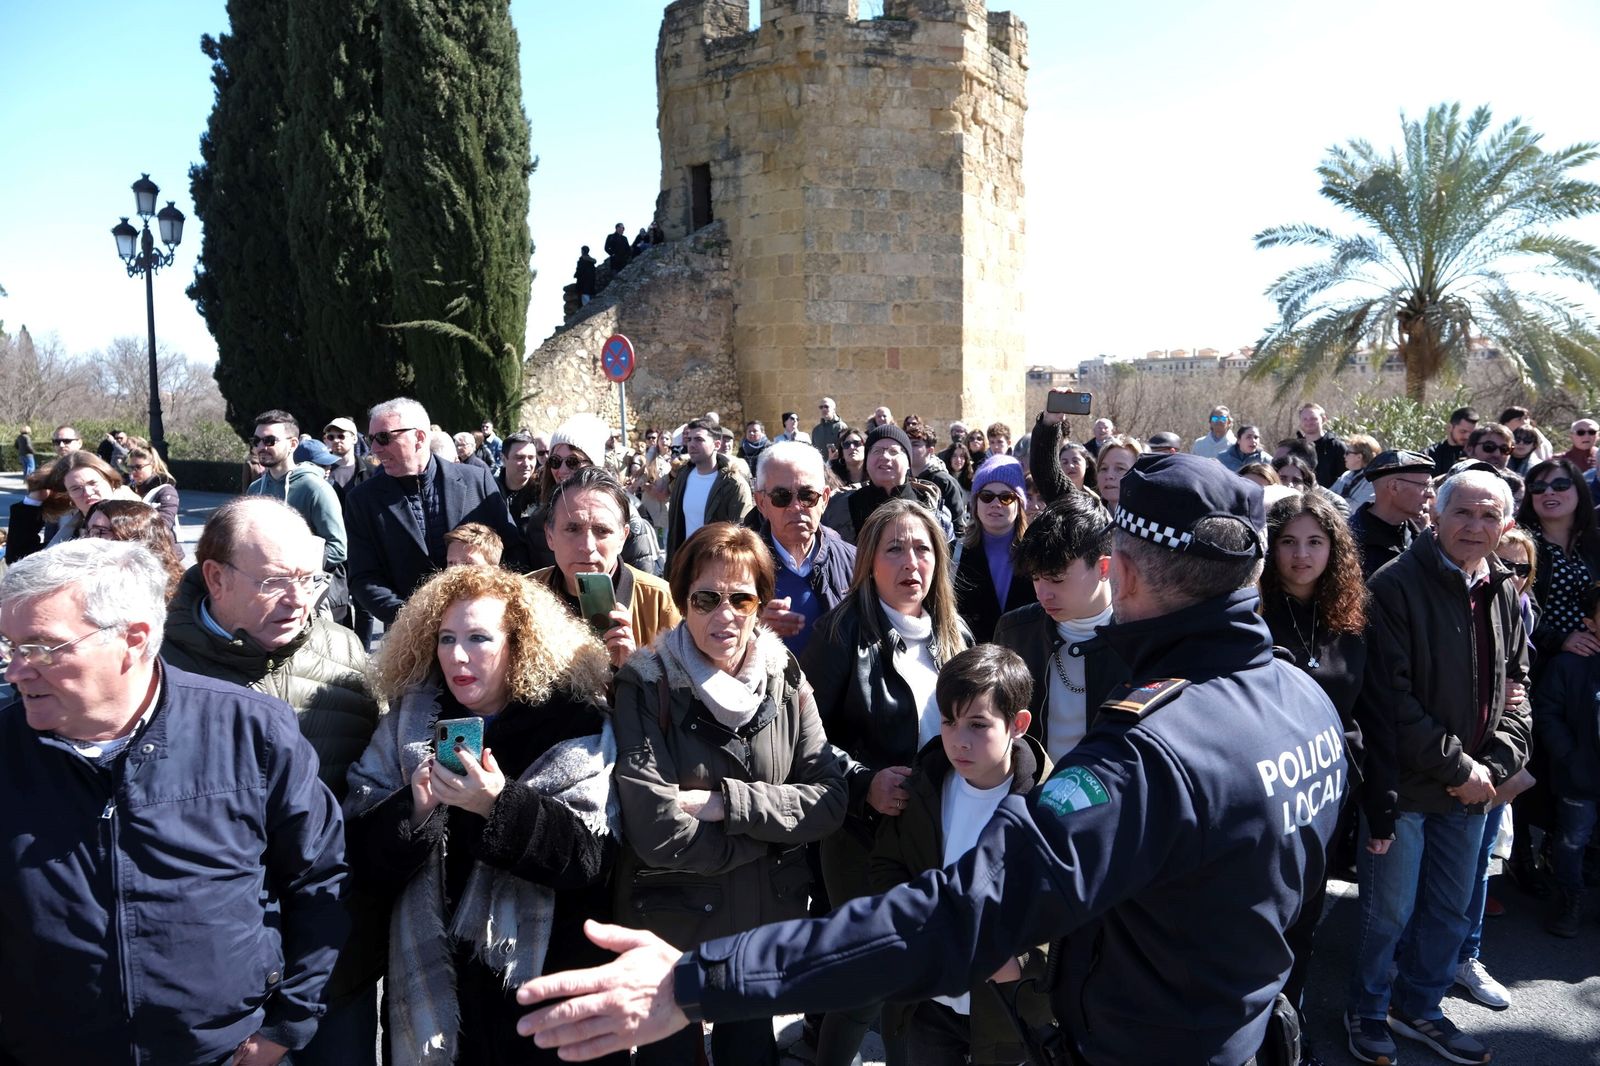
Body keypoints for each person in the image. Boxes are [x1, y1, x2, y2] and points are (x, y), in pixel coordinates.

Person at [514, 453, 1347, 1066]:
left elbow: (954, 913)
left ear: (1119, 572)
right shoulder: (1303, 701)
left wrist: (699, 982)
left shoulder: (1158, 749)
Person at [0, 541, 347, 1065]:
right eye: (9, 646)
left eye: (42, 648)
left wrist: (285, 1027)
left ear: (133, 640)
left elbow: (320, 884)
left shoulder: (251, 732)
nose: (15, 671)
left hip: (224, 1053)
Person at [345, 564, 623, 1065]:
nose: (457, 655)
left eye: (478, 637)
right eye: (446, 638)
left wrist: (500, 805)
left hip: (543, 991)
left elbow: (589, 859)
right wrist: (416, 807)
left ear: (519, 643)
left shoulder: (573, 723)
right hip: (440, 999)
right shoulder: (407, 723)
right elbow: (360, 858)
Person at [610, 522, 847, 1066]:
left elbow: (830, 798)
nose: (725, 614)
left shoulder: (785, 672)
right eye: (707, 598)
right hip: (675, 928)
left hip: (760, 933)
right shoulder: (647, 683)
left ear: (761, 603)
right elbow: (658, 833)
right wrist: (770, 833)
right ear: (682, 601)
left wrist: (726, 805)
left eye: (742, 598)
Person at [161, 497, 383, 1065]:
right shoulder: (155, 670)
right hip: (213, 986)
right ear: (215, 576)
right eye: (276, 582)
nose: (298, 600)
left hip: (335, 968)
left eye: (310, 580)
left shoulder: (346, 653)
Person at [1346, 469, 1530, 1066]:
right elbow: (1390, 700)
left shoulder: (1502, 586)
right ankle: (1368, 1012)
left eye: (1488, 516)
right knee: (1388, 914)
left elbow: (1517, 685)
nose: (1474, 527)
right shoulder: (1393, 586)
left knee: (1450, 911)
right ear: (1436, 515)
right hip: (1409, 787)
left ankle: (1419, 1007)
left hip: (1474, 786)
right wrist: (1460, 767)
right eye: (1463, 513)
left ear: (1505, 526)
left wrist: (1496, 763)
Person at [800, 498, 970, 1066]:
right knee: (867, 979)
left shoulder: (955, 634)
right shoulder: (841, 630)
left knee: (913, 982)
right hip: (860, 836)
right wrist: (864, 783)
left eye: (922, 548)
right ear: (869, 560)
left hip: (934, 831)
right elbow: (805, 740)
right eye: (894, 548)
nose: (910, 562)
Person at [868, 646, 1054, 1066]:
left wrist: (1024, 959)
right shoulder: (924, 786)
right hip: (928, 1004)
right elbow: (887, 866)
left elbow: (1080, 905)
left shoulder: (1051, 804)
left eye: (978, 724)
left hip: (1009, 1012)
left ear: (1017, 724)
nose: (959, 741)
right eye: (949, 722)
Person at [1259, 494, 1369, 1063]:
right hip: (1265, 797)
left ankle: (1289, 1036)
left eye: (1315, 542)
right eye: (1288, 542)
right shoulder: (1249, 612)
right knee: (1260, 920)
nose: (1301, 556)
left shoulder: (1349, 619)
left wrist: (1382, 799)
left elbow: (1371, 713)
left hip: (1326, 795)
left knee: (1304, 921)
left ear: (1335, 550)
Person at [346, 397, 521, 625]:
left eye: (384, 437)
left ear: (419, 437)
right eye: (372, 439)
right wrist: (416, 619)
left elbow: (514, 549)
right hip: (410, 637)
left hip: (483, 626)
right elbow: (363, 577)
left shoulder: (477, 480)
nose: (375, 448)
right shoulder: (362, 500)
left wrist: (495, 603)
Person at [992, 491, 1127, 763]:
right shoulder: (1015, 632)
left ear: (1103, 568)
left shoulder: (1141, 637)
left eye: (1056, 579)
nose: (1043, 594)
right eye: (1036, 578)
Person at [533, 467, 679, 669]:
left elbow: (682, 692)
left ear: (623, 537)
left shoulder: (662, 602)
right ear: (550, 536)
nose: (587, 546)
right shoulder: (525, 596)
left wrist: (636, 670)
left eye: (602, 531)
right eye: (572, 529)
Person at [1532, 579, 1600, 936]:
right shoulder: (1569, 666)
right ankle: (1569, 898)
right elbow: (1547, 712)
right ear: (1590, 623)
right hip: (1580, 777)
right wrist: (1570, 757)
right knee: (1572, 839)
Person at [752, 441, 855, 656]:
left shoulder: (854, 562)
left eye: (807, 495)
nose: (796, 507)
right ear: (761, 503)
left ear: (825, 499)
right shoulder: (737, 567)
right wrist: (753, 628)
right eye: (782, 497)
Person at [529, 413, 663, 576]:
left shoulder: (625, 514)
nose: (562, 470)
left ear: (594, 464)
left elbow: (641, 582)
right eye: (555, 461)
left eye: (572, 462)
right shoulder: (540, 518)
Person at [1516, 457, 1600, 661]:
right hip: (1539, 661)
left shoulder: (1594, 543)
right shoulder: (1518, 546)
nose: (1549, 492)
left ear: (1579, 491)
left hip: (1591, 662)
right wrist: (1559, 640)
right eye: (1538, 487)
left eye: (1560, 485)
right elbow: (1513, 609)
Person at [246, 409, 349, 576]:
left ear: (293, 444)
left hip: (304, 591)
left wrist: (286, 565)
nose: (261, 447)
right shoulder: (255, 489)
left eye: (269, 441)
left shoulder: (315, 488)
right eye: (256, 441)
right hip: (264, 588)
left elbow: (337, 549)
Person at [954, 456, 1036, 643]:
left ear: (1019, 504)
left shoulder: (1036, 551)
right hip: (973, 659)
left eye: (1006, 497)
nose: (996, 504)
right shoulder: (955, 553)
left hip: (1025, 658)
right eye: (986, 496)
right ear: (976, 504)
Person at [666, 418, 755, 562]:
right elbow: (675, 529)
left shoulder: (734, 485)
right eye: (689, 439)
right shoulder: (683, 477)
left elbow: (742, 535)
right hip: (686, 565)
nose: (692, 445)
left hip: (717, 567)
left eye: (699, 439)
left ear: (717, 444)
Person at [1348, 449, 1436, 580]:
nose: (1431, 494)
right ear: (1394, 487)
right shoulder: (1349, 541)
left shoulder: (1422, 536)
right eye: (1424, 485)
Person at [84, 499, 184, 599]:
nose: (89, 540)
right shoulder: (88, 581)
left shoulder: (179, 594)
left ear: (131, 536)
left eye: (98, 532)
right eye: (88, 532)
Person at [124, 441, 181, 533]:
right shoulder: (129, 489)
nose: (133, 472)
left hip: (162, 545)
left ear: (153, 465)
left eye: (138, 467)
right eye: (131, 468)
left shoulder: (166, 490)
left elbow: (163, 525)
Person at [322, 417, 376, 502]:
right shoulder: (321, 470)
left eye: (341, 436)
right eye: (331, 437)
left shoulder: (371, 472)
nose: (336, 440)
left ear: (354, 439)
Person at [1295, 402, 1346, 487]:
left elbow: (1346, 477)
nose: (1309, 422)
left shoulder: (1337, 447)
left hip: (1328, 498)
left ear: (1324, 419)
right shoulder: (1294, 448)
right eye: (1305, 419)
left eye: (1313, 418)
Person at [1093, 433, 1144, 512]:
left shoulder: (1152, 520)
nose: (1109, 475)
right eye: (1104, 468)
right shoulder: (1085, 517)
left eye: (1120, 468)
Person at [1330, 433, 1380, 509]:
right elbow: (1326, 496)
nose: (1344, 456)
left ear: (1359, 457)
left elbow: (1355, 508)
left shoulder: (1373, 480)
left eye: (1347, 453)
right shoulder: (1346, 475)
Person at [1427, 406, 1481, 475]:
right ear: (1450, 427)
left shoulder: (1480, 453)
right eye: (1463, 431)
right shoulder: (1430, 454)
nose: (1468, 436)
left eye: (1472, 433)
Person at [812, 396, 844, 460]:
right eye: (821, 407)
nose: (824, 409)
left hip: (836, 467)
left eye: (826, 406)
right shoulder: (816, 430)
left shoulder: (841, 427)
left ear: (834, 409)